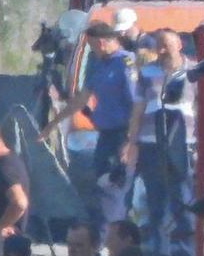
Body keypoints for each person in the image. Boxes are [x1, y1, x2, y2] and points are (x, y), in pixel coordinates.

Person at [41, 20, 141, 234]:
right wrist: (53, 123)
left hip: (123, 134)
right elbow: (81, 99)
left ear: (104, 42)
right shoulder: (98, 64)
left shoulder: (126, 64)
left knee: (114, 189)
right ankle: (105, 235)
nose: (93, 51)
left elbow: (136, 105)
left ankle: (110, 237)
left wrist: (130, 141)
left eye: (94, 46)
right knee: (101, 184)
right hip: (104, 135)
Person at [123, 29, 196, 256]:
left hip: (184, 144)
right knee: (157, 202)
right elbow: (137, 110)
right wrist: (131, 143)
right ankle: (160, 255)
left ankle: (186, 253)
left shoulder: (193, 71)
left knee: (183, 199)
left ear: (179, 44)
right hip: (151, 144)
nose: (162, 50)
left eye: (166, 45)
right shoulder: (147, 73)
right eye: (159, 46)